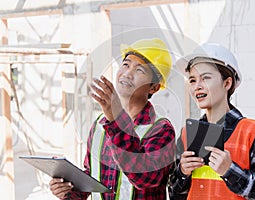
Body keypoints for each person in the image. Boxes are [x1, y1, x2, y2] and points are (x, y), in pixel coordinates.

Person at [49, 38, 175, 199]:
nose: (128, 73)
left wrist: (116, 119)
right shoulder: (100, 123)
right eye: (126, 65)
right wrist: (68, 191)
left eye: (139, 70)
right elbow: (91, 175)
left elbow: (145, 178)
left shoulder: (162, 129)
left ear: (154, 87)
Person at [168, 43, 255, 200]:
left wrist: (230, 171)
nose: (197, 87)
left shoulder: (254, 133)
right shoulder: (187, 135)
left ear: (227, 83)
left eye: (205, 78)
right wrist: (182, 173)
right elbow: (174, 195)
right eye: (193, 80)